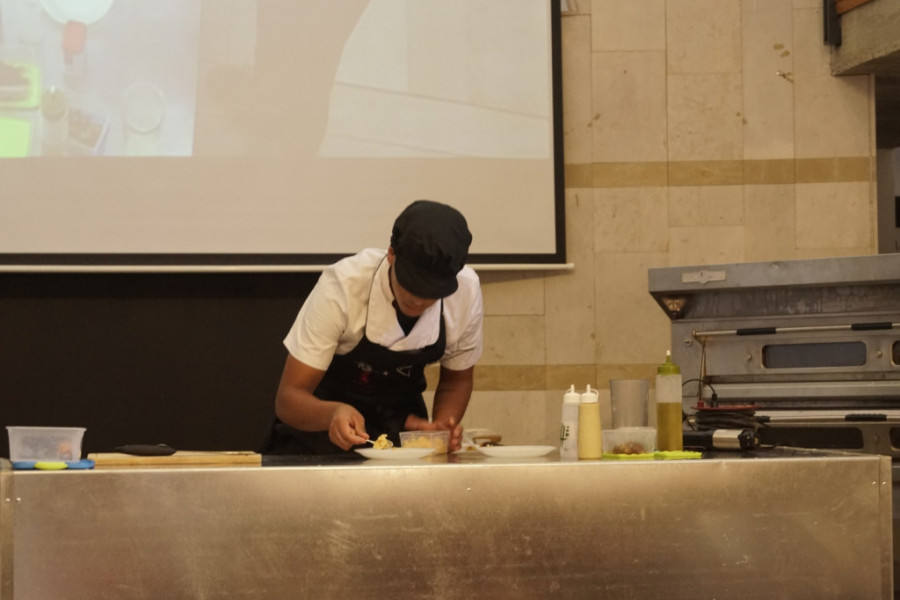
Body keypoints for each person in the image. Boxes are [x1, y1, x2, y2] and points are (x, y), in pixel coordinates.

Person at [262, 200, 483, 455]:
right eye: (412, 284)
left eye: (433, 292)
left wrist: (441, 430)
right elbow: (289, 399)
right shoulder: (344, 286)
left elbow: (456, 381)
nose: (420, 300)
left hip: (401, 437)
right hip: (318, 439)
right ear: (391, 254)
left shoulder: (465, 292)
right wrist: (332, 413)